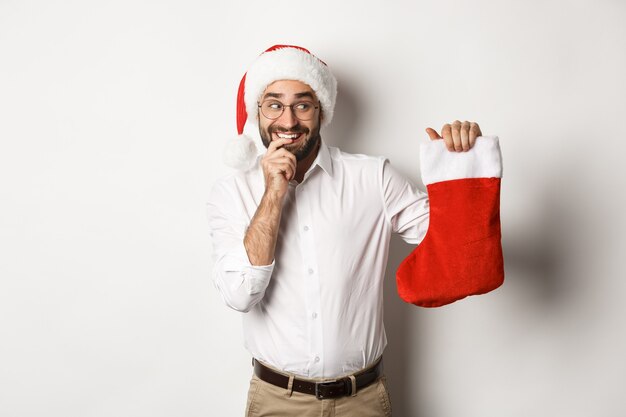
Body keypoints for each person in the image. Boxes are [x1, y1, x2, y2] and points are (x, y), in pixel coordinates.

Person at [206, 45, 503, 417]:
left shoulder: (373, 178)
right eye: (274, 104)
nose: (288, 120)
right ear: (258, 112)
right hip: (277, 402)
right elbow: (239, 294)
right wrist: (273, 194)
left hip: (361, 401)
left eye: (302, 104)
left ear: (321, 111)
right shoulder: (231, 193)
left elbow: (456, 246)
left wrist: (464, 170)